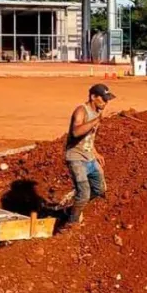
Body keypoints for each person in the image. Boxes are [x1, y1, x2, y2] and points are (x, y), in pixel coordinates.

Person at [64, 83, 115, 225]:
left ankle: (73, 208)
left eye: (107, 99)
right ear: (93, 97)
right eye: (103, 99)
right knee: (84, 193)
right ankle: (71, 224)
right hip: (76, 158)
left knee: (100, 189)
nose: (106, 102)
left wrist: (95, 152)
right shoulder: (81, 111)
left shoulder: (97, 113)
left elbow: (89, 138)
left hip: (89, 158)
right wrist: (97, 120)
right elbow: (76, 132)